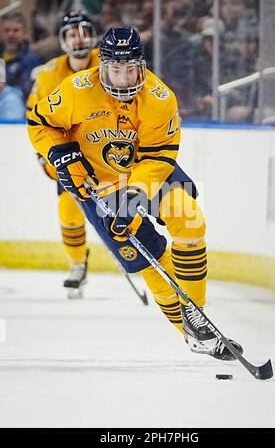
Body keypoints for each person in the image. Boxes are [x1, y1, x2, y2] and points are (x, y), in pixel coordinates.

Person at [27, 26, 243, 360]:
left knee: (190, 219)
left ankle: (197, 313)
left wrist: (136, 194)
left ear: (141, 64)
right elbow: (40, 122)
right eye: (116, 68)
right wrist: (61, 153)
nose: (124, 77)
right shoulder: (77, 90)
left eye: (131, 68)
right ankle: (194, 336)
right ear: (103, 65)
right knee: (149, 259)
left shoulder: (159, 98)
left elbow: (159, 157)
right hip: (98, 185)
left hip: (149, 172)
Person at [27, 11, 99, 299]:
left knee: (122, 207)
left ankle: (132, 254)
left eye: (83, 32)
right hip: (70, 156)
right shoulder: (48, 74)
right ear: (62, 39)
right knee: (69, 212)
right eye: (71, 33)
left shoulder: (109, 65)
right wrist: (45, 152)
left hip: (105, 150)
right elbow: (35, 117)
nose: (78, 38)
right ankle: (78, 264)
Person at [0, 12, 44, 101]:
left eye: (16, 30)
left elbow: (28, 92)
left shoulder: (32, 60)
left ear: (25, 33)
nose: (11, 35)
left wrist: (5, 89)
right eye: (7, 30)